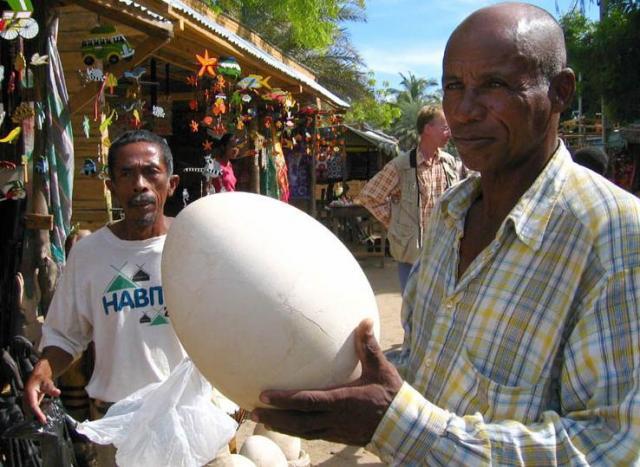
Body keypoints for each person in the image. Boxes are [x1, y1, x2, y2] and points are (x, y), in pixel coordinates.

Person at [251, 3, 640, 465]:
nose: (465, 111)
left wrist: (393, 424)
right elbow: (424, 364)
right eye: (454, 87)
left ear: (559, 92)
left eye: (494, 85)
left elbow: (610, 447)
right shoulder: (449, 215)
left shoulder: (615, 237)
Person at [24, 129, 185, 465]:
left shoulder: (194, 245)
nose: (139, 184)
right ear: (111, 188)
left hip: (186, 415)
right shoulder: (90, 254)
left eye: (151, 172)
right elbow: (66, 335)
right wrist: (44, 369)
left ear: (171, 184)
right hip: (117, 422)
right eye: (126, 174)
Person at [356, 105, 461, 292]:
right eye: (445, 127)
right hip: (413, 255)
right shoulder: (402, 165)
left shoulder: (448, 162)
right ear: (428, 129)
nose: (449, 133)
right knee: (413, 313)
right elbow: (369, 196)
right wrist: (396, 223)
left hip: (445, 252)